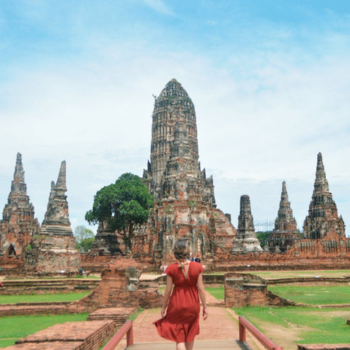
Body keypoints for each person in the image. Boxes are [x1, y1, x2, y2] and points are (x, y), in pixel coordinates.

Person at [154, 239, 208, 350]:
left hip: (177, 304)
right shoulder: (197, 267)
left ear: (175, 252)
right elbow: (201, 289)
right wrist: (205, 307)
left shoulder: (171, 269)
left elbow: (168, 290)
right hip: (193, 304)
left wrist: (163, 307)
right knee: (190, 333)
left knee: (179, 338)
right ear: (188, 252)